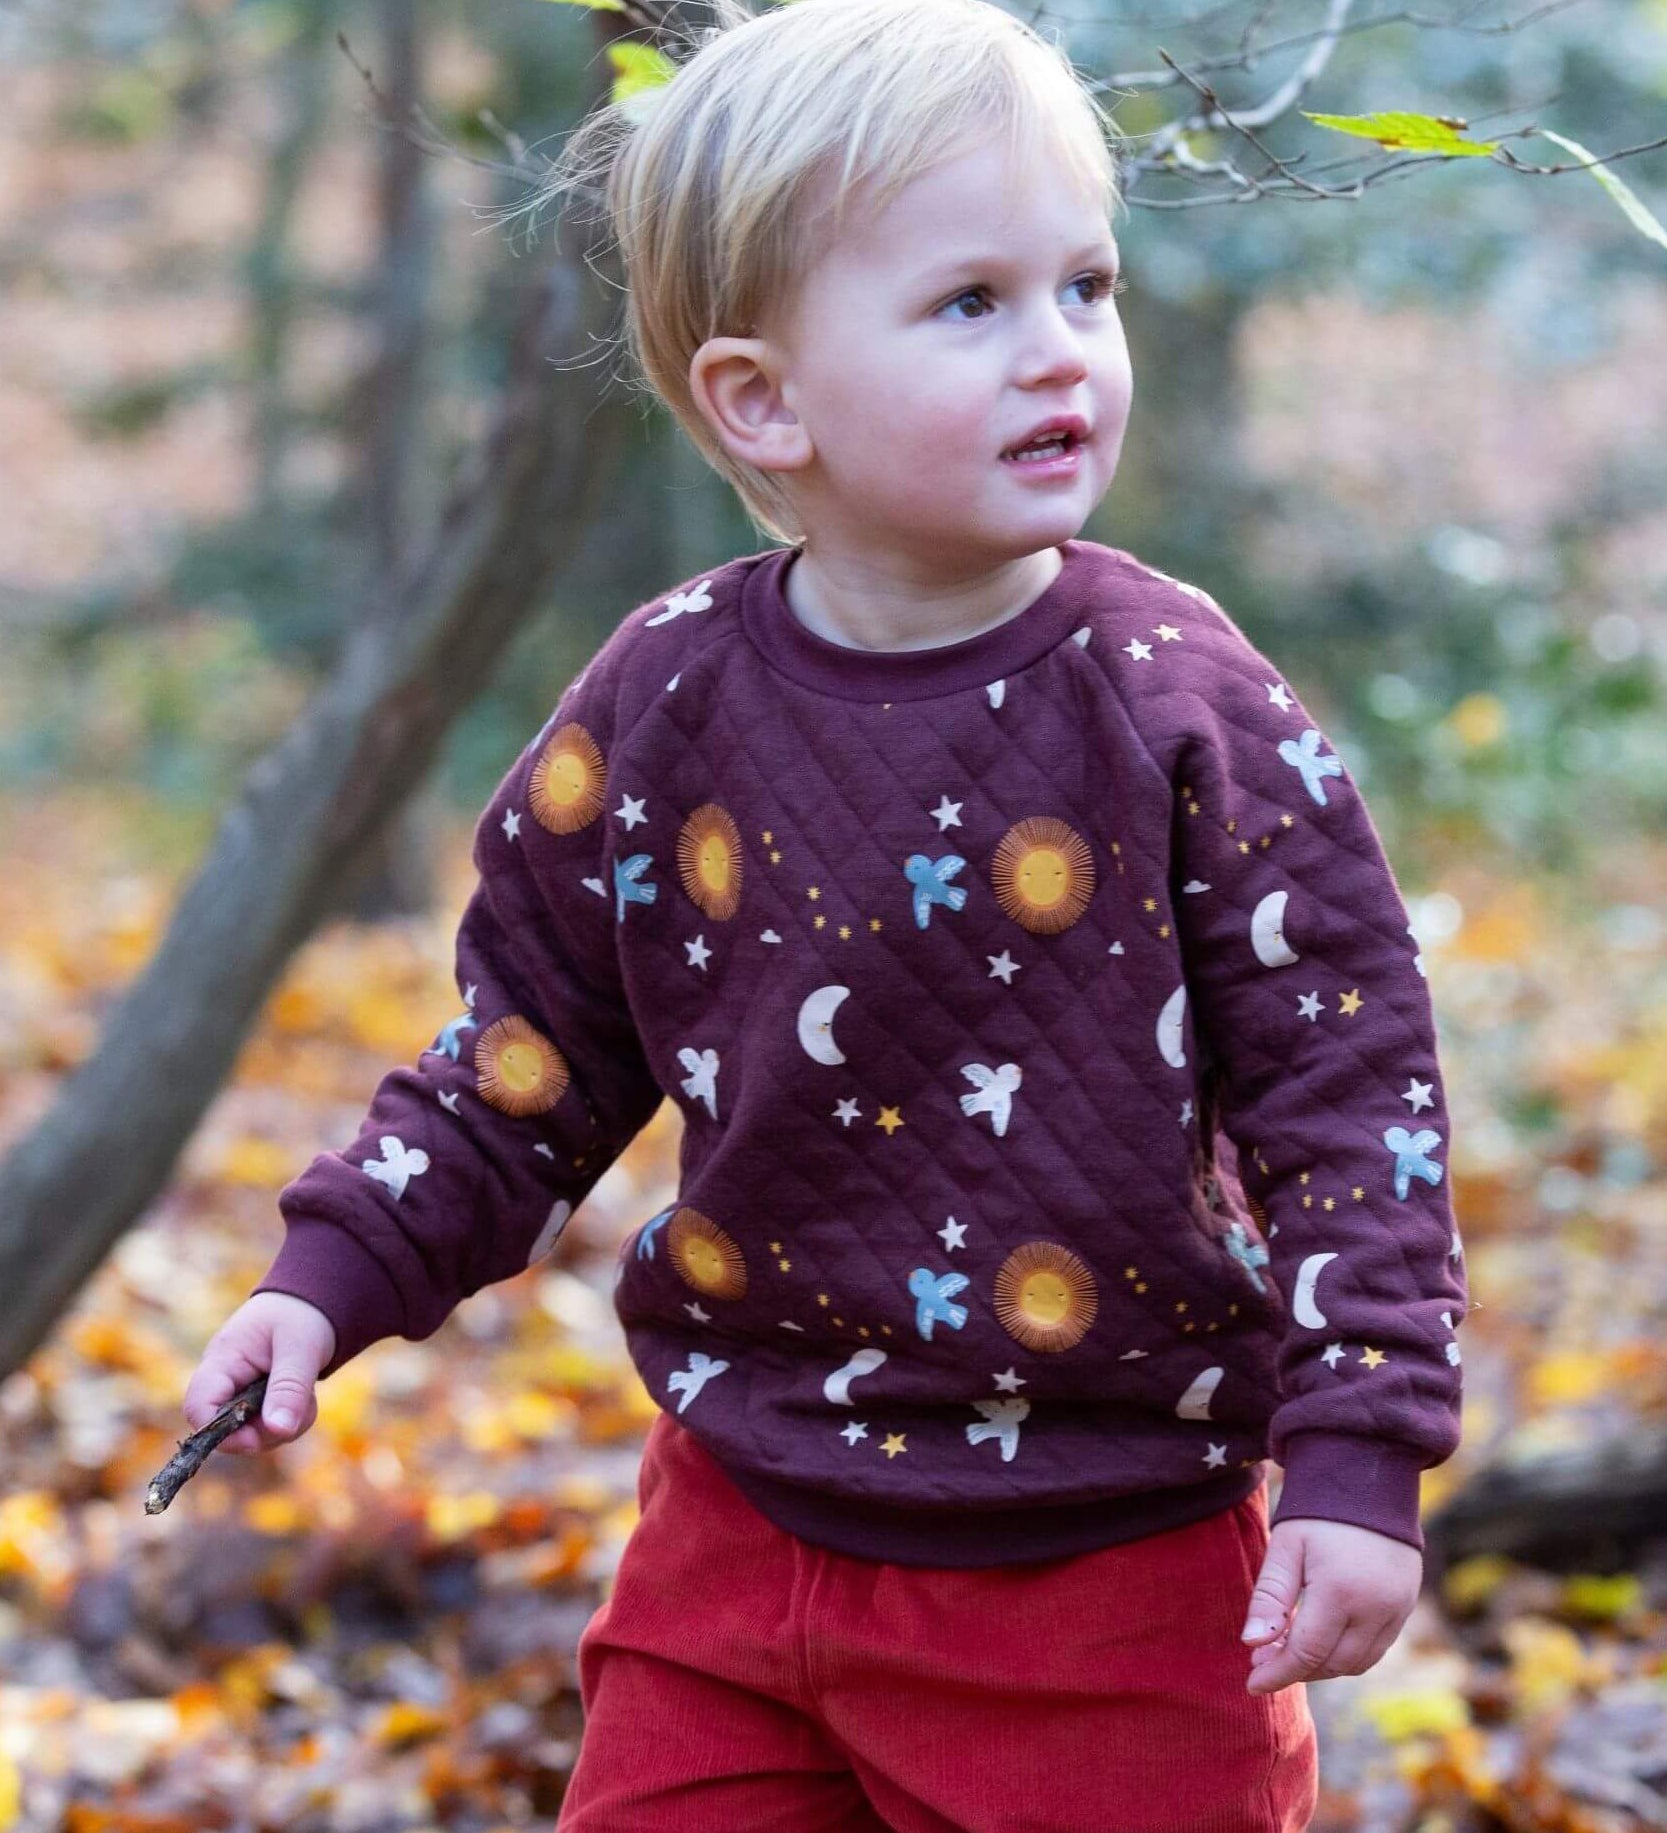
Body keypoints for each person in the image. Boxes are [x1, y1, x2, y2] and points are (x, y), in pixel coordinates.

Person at [183, 0, 1469, 1825]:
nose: (1063, 355)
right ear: (759, 396)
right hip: (739, 1525)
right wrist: (321, 1286)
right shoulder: (666, 701)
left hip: (1110, 1566)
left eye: (1086, 288)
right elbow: (519, 1064)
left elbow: (1353, 1094)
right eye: (972, 303)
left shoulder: (1177, 695)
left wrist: (1361, 1448)